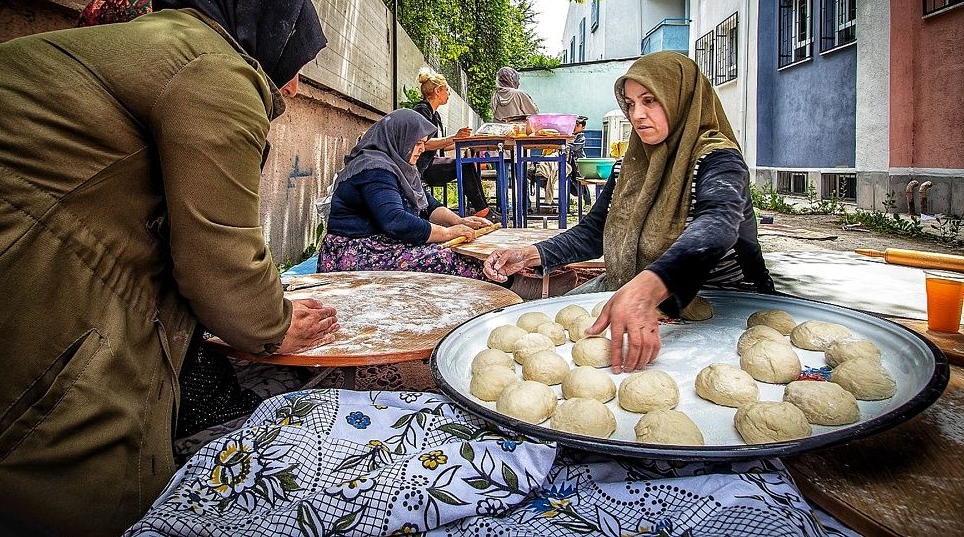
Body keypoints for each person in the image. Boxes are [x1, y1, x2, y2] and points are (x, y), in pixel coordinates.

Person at [0, 0, 340, 535]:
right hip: (13, 278)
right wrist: (273, 323)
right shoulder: (212, 67)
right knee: (74, 484)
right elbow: (218, 255)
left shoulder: (144, 48)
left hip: (3, 263)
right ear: (264, 30)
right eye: (295, 62)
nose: (294, 88)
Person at [483, 51, 775, 372]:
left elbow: (718, 225)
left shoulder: (719, 159)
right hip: (649, 296)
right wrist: (529, 255)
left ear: (681, 99)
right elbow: (595, 231)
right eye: (631, 103)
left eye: (650, 100)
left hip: (725, 304)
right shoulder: (631, 165)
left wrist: (647, 288)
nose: (637, 115)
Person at [318, 109, 492, 278]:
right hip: (354, 251)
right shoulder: (374, 168)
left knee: (463, 252)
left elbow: (428, 205)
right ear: (399, 139)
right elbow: (394, 220)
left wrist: (460, 222)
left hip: (381, 243)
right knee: (452, 260)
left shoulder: (401, 167)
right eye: (417, 143)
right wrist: (447, 233)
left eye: (423, 143)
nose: (423, 149)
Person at [411, 67, 496, 219]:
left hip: (430, 162)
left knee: (467, 162)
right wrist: (453, 137)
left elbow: (441, 144)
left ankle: (484, 210)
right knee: (464, 165)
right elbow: (425, 143)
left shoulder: (434, 113)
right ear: (438, 91)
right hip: (421, 167)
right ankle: (483, 211)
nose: (449, 93)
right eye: (447, 90)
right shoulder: (422, 110)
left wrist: (464, 141)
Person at [568, 115, 592, 208]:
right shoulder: (572, 135)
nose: (575, 126)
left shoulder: (581, 137)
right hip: (572, 162)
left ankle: (587, 202)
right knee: (572, 180)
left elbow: (575, 147)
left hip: (580, 163)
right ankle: (572, 200)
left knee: (582, 182)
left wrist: (566, 144)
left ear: (583, 127)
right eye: (575, 124)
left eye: (577, 125)